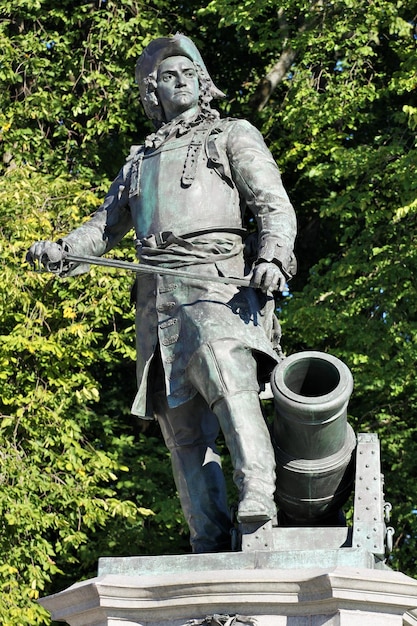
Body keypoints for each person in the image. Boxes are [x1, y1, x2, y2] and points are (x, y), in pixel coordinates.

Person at [27, 34, 297, 553]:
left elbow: (272, 204)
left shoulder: (231, 134)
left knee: (230, 386)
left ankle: (257, 491)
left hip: (216, 283)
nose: (181, 82)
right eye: (168, 76)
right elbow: (105, 225)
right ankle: (207, 533)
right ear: (153, 92)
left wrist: (272, 257)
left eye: (189, 73)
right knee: (180, 428)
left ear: (203, 83)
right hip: (156, 298)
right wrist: (65, 248)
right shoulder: (137, 162)